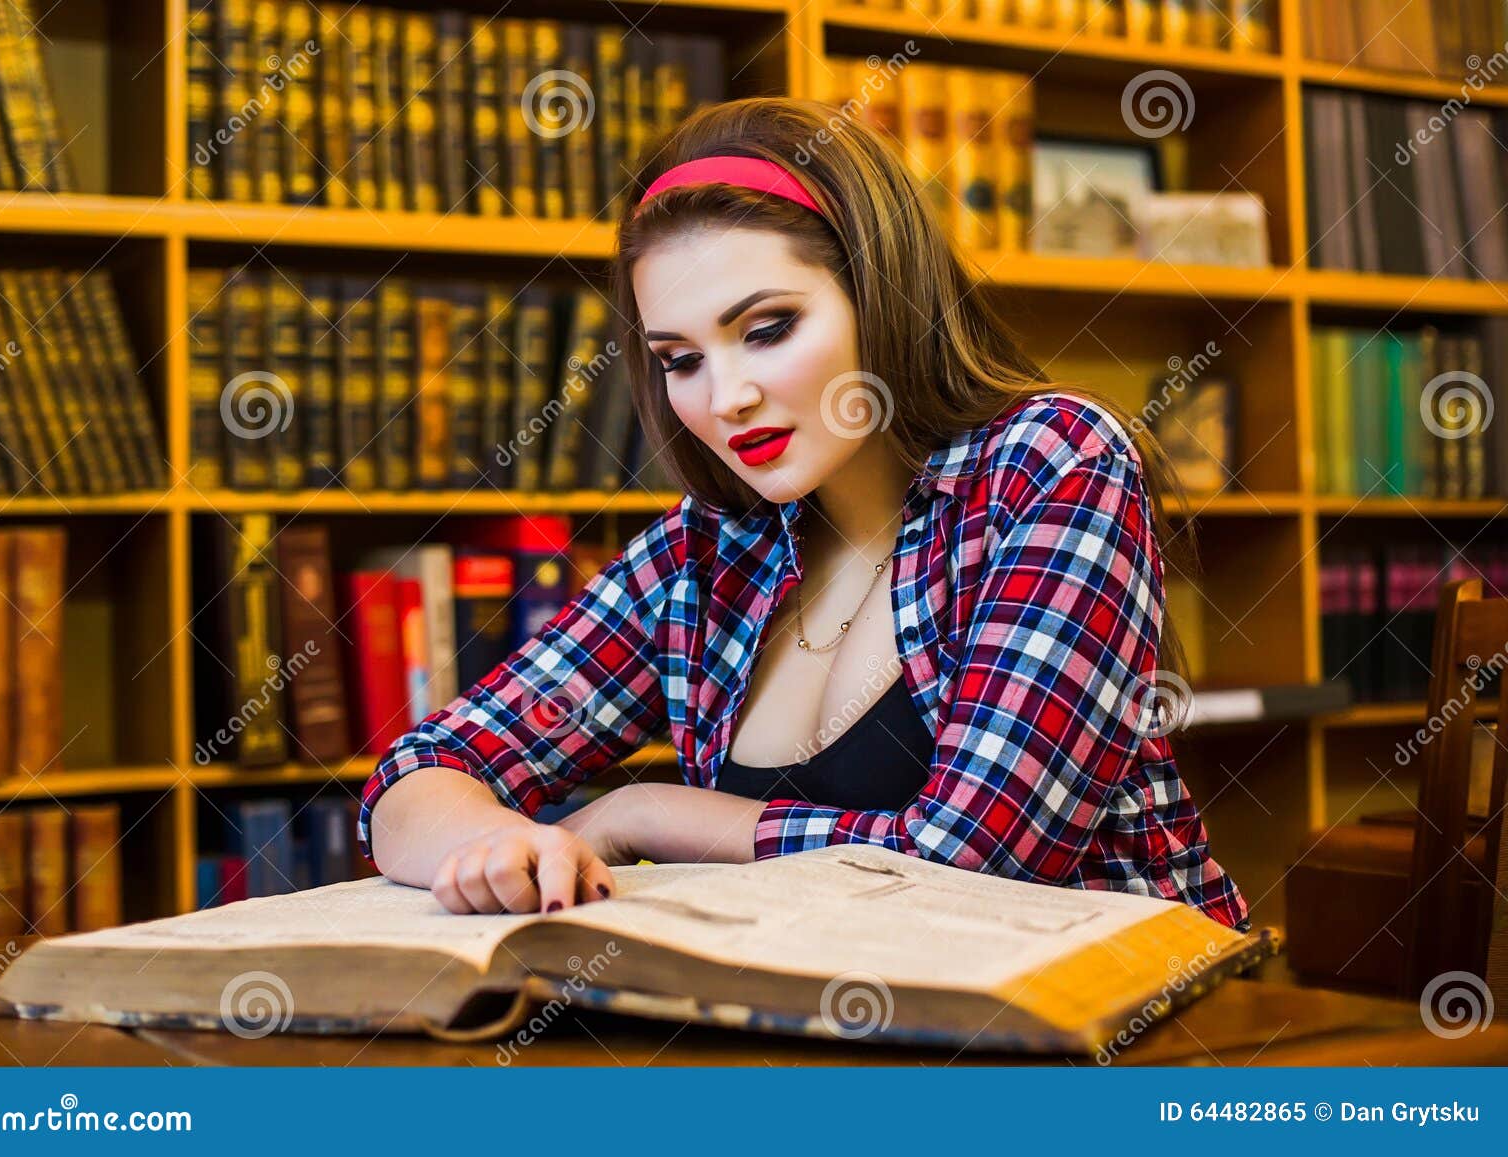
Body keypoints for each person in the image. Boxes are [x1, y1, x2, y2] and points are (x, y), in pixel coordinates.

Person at [358, 96, 1251, 932]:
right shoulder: (706, 554)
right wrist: (487, 846)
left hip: (1120, 1050)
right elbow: (421, 771)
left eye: (768, 328)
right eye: (679, 359)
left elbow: (974, 863)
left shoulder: (1051, 462)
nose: (727, 397)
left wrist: (646, 811)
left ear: (879, 294)